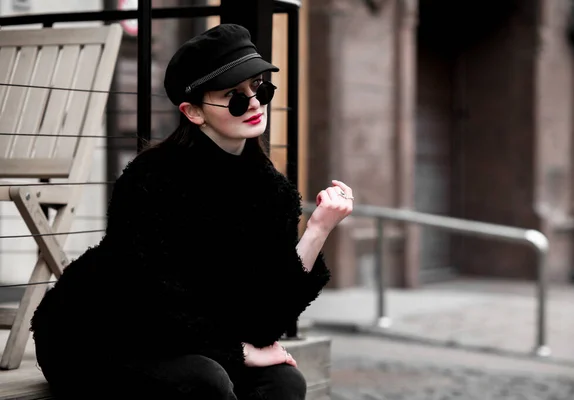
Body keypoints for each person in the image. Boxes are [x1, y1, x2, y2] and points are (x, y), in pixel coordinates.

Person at [30, 23, 353, 399]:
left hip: (194, 342)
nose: (253, 103)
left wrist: (317, 229)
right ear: (194, 112)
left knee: (284, 382)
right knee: (205, 380)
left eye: (260, 88)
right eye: (234, 96)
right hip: (98, 335)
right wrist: (236, 350)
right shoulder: (150, 179)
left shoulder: (272, 192)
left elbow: (266, 319)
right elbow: (146, 302)